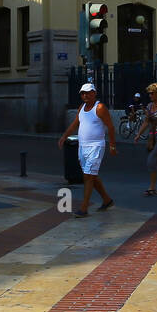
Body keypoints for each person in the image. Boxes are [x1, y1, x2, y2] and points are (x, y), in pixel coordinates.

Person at [57, 82, 117, 217]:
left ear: (94, 93)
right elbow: (74, 125)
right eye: (83, 93)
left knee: (88, 176)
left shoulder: (100, 108)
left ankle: (84, 208)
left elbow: (111, 127)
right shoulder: (82, 108)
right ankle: (107, 200)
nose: (85, 95)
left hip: (96, 146)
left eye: (88, 92)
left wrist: (112, 146)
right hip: (82, 146)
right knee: (92, 175)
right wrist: (64, 137)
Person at [134, 82, 157, 196]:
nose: (150, 96)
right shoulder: (150, 106)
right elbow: (146, 121)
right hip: (152, 137)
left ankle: (152, 187)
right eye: (149, 94)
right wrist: (138, 134)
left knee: (151, 160)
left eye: (152, 93)